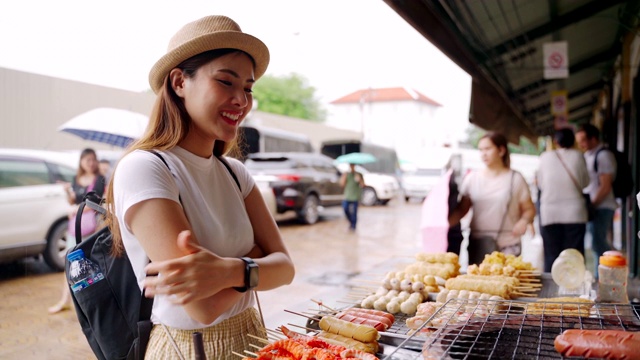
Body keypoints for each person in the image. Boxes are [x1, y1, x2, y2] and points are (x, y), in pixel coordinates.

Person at [102, 15, 295, 359]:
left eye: (248, 88)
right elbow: (203, 308)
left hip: (254, 336)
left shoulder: (236, 173)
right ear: (179, 82)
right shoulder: (146, 167)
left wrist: (228, 270)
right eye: (226, 82)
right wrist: (254, 260)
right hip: (189, 349)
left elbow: (286, 268)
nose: (242, 100)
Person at [448, 132, 535, 265]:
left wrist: (524, 221)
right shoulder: (472, 178)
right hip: (478, 245)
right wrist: (444, 224)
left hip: (508, 246)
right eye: (481, 150)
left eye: (488, 149)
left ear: (501, 150)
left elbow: (529, 209)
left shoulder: (516, 179)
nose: (483, 154)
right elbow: (462, 209)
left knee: (505, 283)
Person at [48, 148, 106, 314]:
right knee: (70, 262)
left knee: (91, 264)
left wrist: (77, 209)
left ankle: (91, 302)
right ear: (81, 161)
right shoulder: (77, 179)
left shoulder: (99, 179)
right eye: (87, 159)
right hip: (76, 226)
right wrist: (67, 191)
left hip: (92, 227)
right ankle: (65, 300)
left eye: (93, 159)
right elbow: (73, 200)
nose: (91, 163)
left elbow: (96, 202)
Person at [536, 128, 590, 272]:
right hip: (575, 213)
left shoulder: (545, 157)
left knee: (551, 256)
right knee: (574, 256)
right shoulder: (579, 156)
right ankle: (574, 290)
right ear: (573, 141)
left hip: (550, 213)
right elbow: (585, 183)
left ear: (555, 142)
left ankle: (552, 289)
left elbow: (540, 183)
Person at [575, 123, 616, 274]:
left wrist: (592, 205)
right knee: (595, 243)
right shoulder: (588, 155)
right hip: (594, 205)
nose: (580, 144)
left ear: (593, 139)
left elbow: (605, 186)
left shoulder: (604, 155)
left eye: (583, 140)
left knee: (599, 244)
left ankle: (607, 276)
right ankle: (601, 276)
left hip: (602, 206)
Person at [340, 163, 365, 231]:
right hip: (347, 196)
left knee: (354, 212)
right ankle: (351, 222)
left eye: (353, 165)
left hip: (355, 197)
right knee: (345, 209)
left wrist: (359, 179)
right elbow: (342, 184)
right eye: (351, 165)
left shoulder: (359, 174)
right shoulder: (347, 174)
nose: (352, 167)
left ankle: (353, 226)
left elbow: (363, 185)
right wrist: (344, 176)